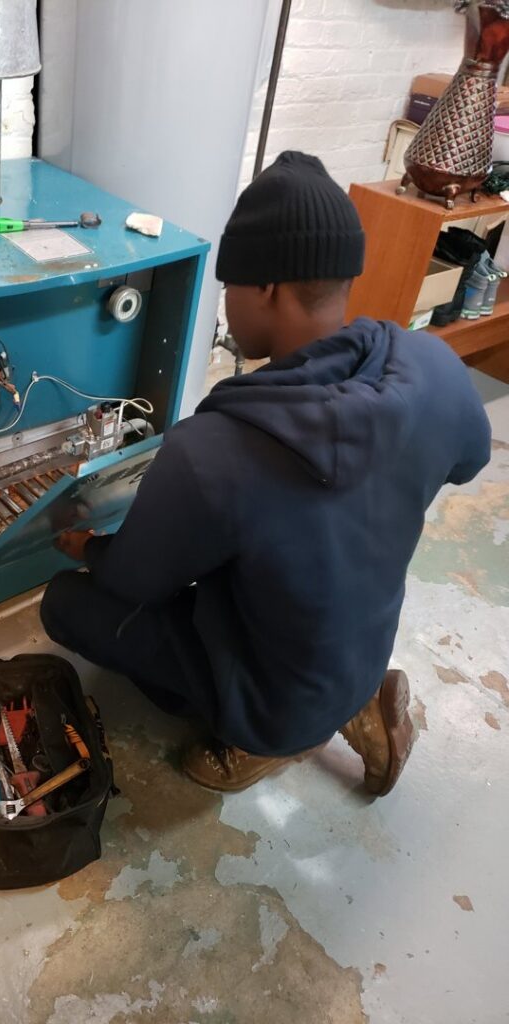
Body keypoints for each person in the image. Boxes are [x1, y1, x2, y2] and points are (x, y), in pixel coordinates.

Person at [40, 151, 492, 795]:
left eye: (230, 288)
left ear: (268, 289)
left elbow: (135, 579)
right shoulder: (433, 367)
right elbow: (470, 460)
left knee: (70, 605)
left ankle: (260, 740)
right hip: (357, 651)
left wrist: (90, 547)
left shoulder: (218, 449)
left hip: (275, 699)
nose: (226, 306)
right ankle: (355, 702)